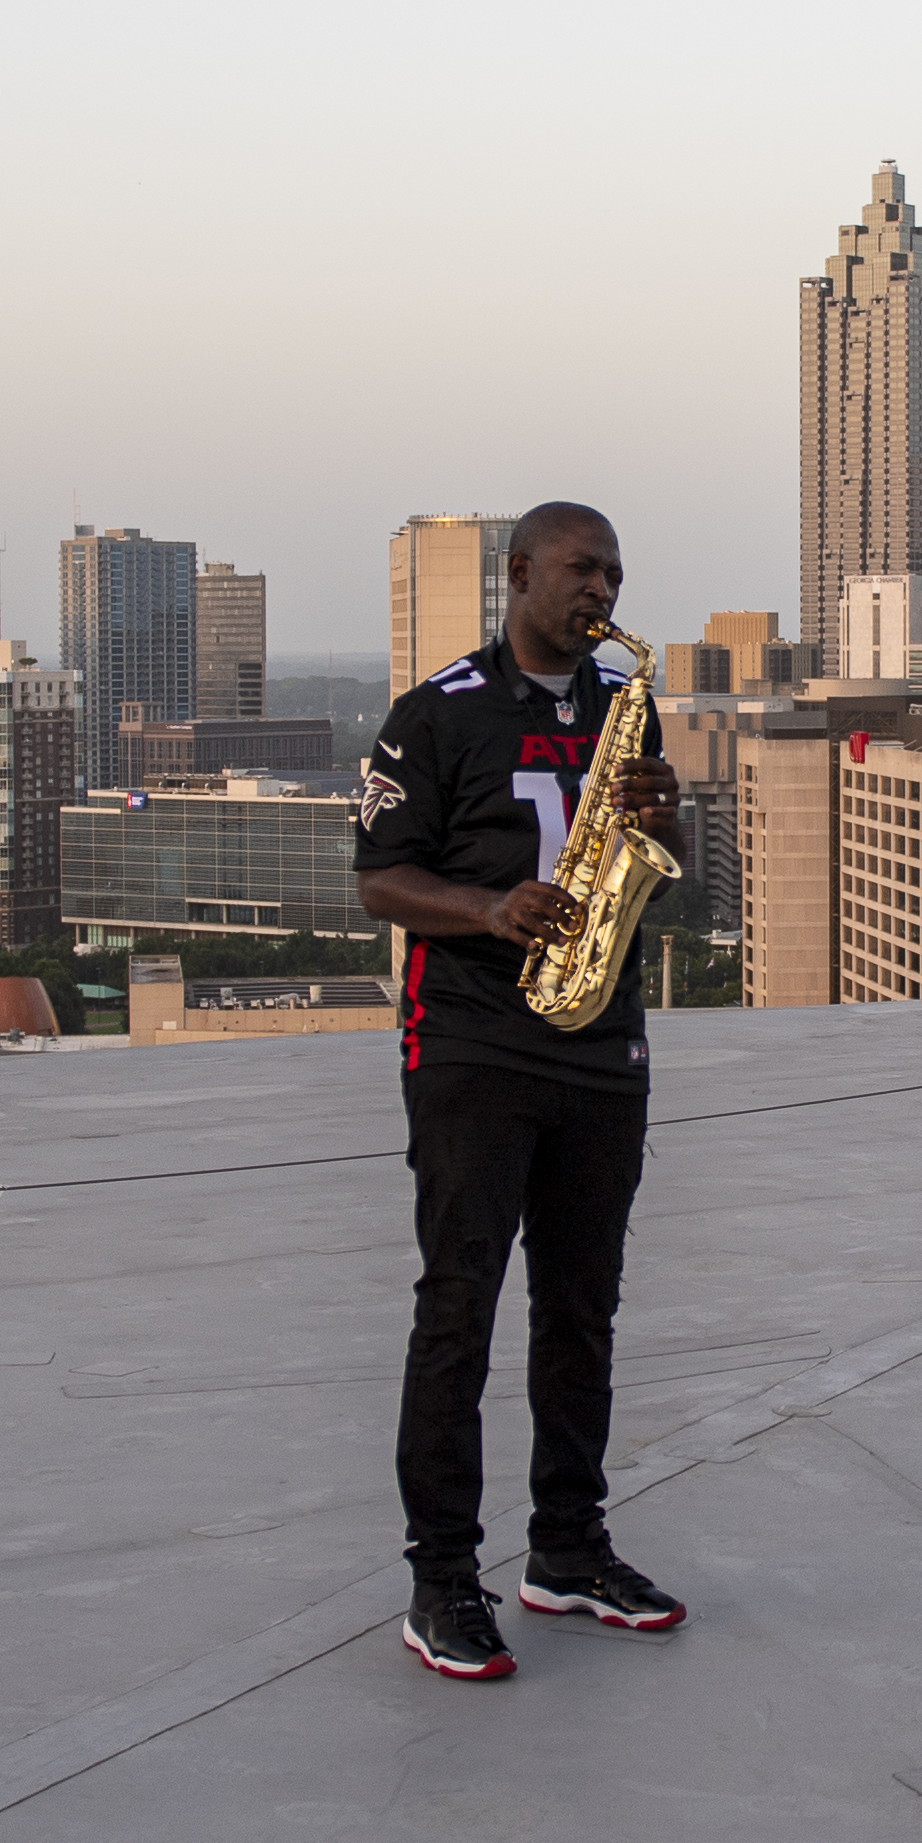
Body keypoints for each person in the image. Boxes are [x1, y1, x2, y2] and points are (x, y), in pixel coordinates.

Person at [354, 500, 690, 1680]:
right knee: (459, 1307)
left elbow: (667, 869)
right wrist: (492, 908)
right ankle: (442, 1573)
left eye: (613, 567)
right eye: (580, 567)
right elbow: (381, 878)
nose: (600, 586)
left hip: (601, 1037)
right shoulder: (434, 713)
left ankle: (567, 1547)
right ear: (518, 575)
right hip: (474, 1042)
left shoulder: (623, 701)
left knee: (582, 1308)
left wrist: (667, 823)